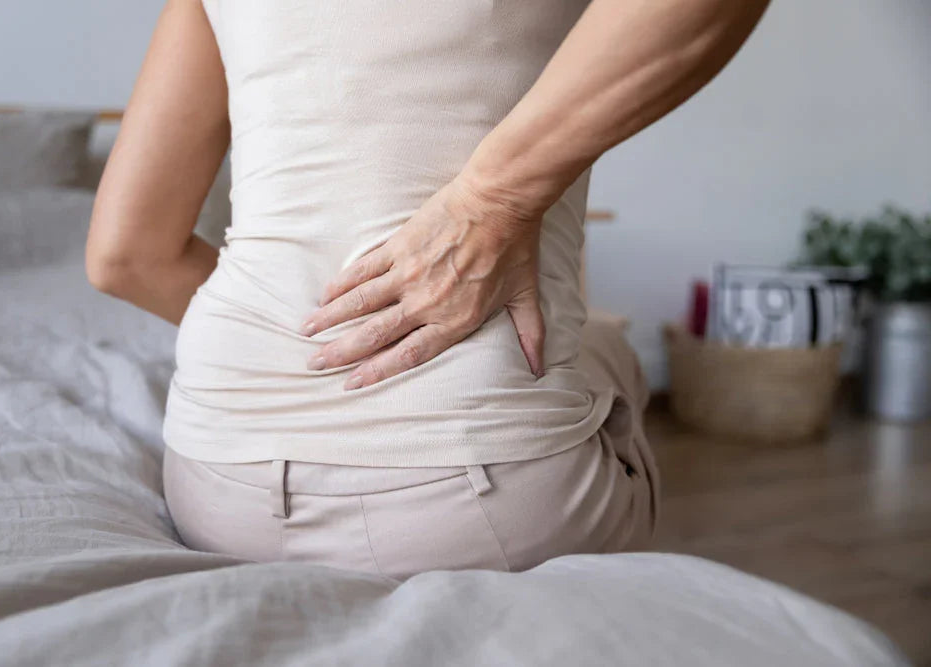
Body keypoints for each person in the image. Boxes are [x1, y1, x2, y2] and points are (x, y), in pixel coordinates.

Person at [86, 0, 769, 580]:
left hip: (214, 476)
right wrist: (491, 199)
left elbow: (126, 256)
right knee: (611, 350)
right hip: (479, 492)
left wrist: (318, 351)